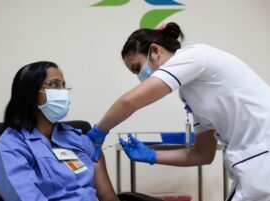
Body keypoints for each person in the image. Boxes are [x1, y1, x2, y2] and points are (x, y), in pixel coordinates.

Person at [86, 22, 270, 201]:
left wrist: (98, 131)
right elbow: (203, 154)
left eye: (137, 68)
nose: (139, 77)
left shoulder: (194, 56)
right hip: (252, 165)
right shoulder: (189, 91)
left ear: (155, 51)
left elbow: (130, 101)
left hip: (261, 158)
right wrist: (151, 155)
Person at [0, 61, 119, 201]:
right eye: (54, 84)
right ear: (30, 92)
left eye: (63, 85)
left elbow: (109, 198)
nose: (63, 92)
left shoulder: (79, 139)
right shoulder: (11, 146)